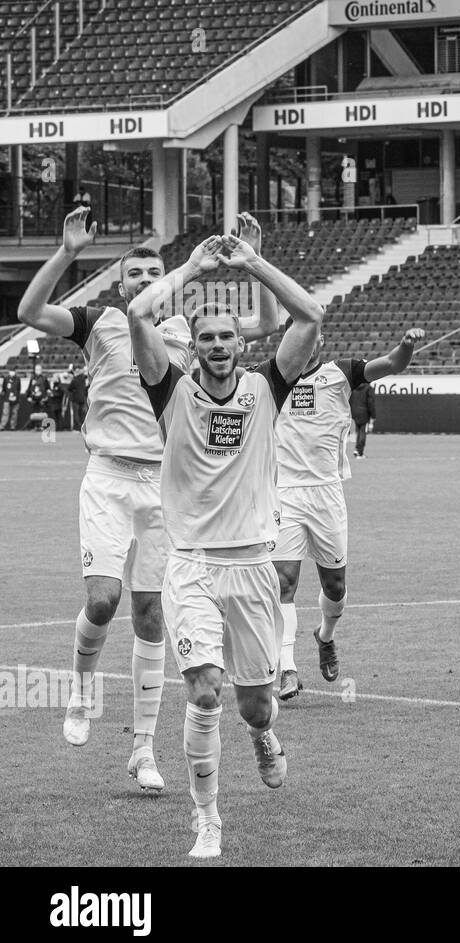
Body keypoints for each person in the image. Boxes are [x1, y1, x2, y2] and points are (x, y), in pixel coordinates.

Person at [15, 208, 277, 793]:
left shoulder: (192, 333)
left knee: (152, 612)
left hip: (164, 486)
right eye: (135, 274)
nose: (143, 281)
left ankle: (142, 749)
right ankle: (81, 694)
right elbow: (28, 313)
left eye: (152, 271)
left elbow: (262, 325)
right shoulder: (102, 322)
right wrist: (64, 253)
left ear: (170, 279)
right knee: (105, 600)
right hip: (108, 475)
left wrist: (255, 262)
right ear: (123, 282)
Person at [129, 231, 325, 859]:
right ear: (193, 345)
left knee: (257, 705)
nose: (216, 346)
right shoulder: (171, 390)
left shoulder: (267, 388)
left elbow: (310, 315)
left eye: (225, 337)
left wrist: (251, 262)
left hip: (253, 567)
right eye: (205, 337)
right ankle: (207, 818)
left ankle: (264, 735)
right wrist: (191, 265)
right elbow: (139, 313)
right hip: (191, 566)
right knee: (205, 688)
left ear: (243, 343)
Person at [273, 325, 426, 701]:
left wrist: (404, 346)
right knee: (282, 583)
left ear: (320, 342)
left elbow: (391, 363)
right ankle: (286, 668)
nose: (303, 345)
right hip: (283, 494)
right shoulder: (271, 378)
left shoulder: (341, 372)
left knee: (335, 587)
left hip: (326, 493)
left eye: (309, 338)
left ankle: (325, 636)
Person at [349, 379, 376, 458]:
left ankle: (357, 449)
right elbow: (371, 403)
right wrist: (373, 416)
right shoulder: (368, 388)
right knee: (363, 433)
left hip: (354, 413)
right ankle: (359, 452)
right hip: (364, 413)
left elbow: (350, 400)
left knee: (359, 432)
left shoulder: (354, 388)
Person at [67, 364, 88, 431]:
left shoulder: (75, 379)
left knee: (76, 414)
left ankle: (78, 428)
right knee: (82, 414)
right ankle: (84, 428)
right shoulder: (83, 378)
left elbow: (69, 388)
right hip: (82, 398)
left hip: (75, 399)